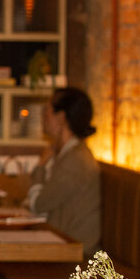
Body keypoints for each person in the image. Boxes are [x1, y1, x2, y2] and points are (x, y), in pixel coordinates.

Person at [26, 87, 101, 256]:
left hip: (76, 253)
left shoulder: (75, 161)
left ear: (61, 117)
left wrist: (40, 166)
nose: (43, 116)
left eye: (47, 110)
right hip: (64, 243)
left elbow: (38, 205)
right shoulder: (68, 154)